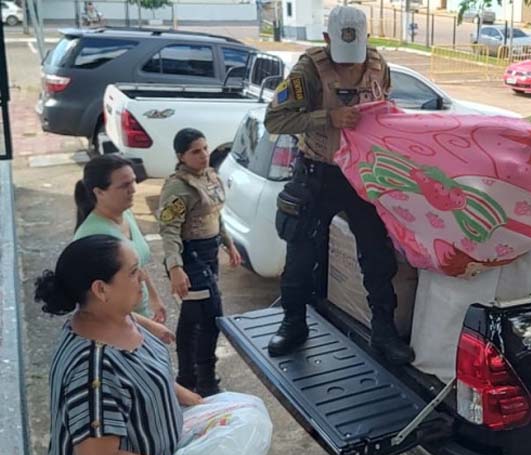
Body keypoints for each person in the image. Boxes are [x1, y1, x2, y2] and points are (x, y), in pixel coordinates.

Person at [263, 5, 414, 365]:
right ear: (327, 39)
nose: (349, 65)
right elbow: (275, 119)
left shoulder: (378, 65)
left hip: (363, 174)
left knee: (378, 257)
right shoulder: (308, 71)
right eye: (342, 55)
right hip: (318, 171)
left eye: (355, 56)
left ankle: (384, 332)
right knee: (301, 253)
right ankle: (293, 323)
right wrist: (327, 118)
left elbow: (386, 105)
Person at [37, 235, 223, 455]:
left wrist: (179, 393)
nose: (143, 278)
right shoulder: (94, 370)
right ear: (101, 290)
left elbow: (138, 372)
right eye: (134, 272)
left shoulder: (111, 316)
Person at [158, 128, 241, 397]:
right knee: (204, 316)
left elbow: (216, 216)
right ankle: (198, 379)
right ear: (181, 156)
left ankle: (195, 377)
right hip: (190, 257)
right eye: (196, 151)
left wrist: (228, 244)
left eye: (205, 148)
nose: (204, 155)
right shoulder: (178, 186)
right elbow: (169, 230)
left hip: (208, 253)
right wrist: (175, 268)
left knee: (199, 316)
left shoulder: (209, 176)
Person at [73, 154, 175, 345]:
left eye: (133, 182)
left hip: (139, 314)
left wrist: (154, 297)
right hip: (117, 328)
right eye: (123, 186)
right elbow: (97, 307)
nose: (133, 190)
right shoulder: (92, 236)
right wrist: (148, 326)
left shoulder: (125, 213)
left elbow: (137, 265)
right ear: (99, 192)